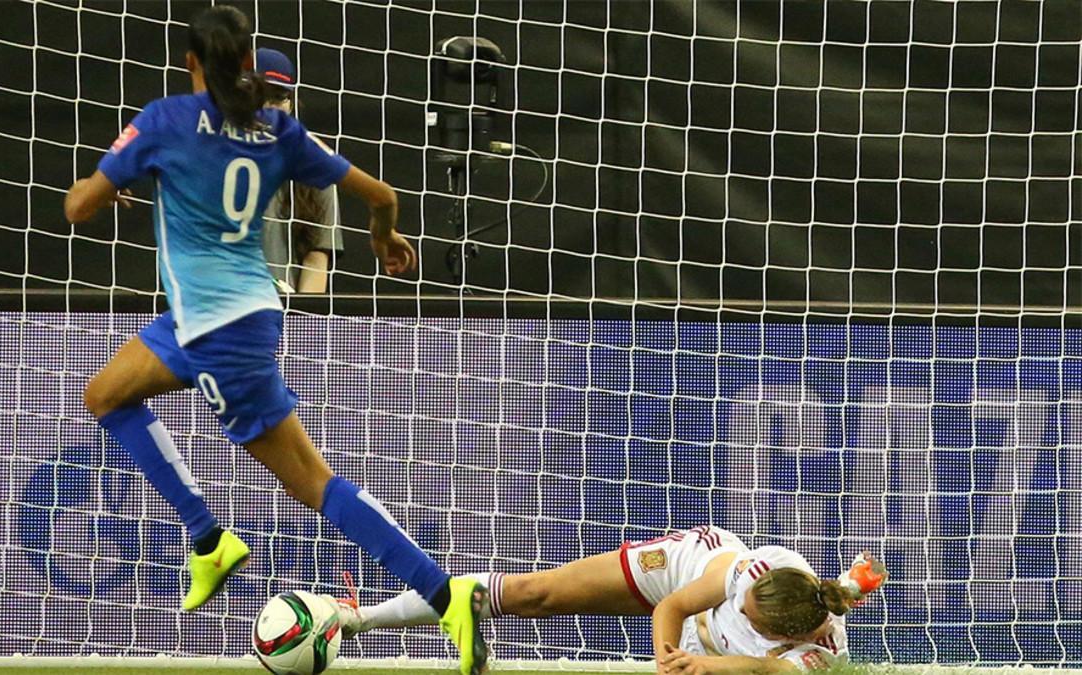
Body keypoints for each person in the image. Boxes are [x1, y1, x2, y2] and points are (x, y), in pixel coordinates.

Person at [62, 7, 486, 674]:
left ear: (191, 63)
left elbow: (77, 207)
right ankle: (208, 539)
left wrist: (104, 184)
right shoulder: (279, 129)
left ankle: (444, 592)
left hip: (218, 333)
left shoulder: (165, 120)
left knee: (313, 482)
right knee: (106, 393)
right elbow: (381, 193)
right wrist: (384, 236)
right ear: (248, 62)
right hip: (228, 313)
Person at [335, 526, 887, 673]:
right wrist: (670, 659)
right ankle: (355, 618)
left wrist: (707, 664)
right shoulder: (758, 575)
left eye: (749, 619)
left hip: (719, 654)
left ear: (783, 634)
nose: (740, 608)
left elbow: (765, 673)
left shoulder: (818, 658)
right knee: (535, 592)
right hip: (683, 571)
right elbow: (674, 607)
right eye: (743, 604)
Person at [254, 48, 344, 294]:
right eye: (258, 96)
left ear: (290, 104)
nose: (268, 108)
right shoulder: (210, 159)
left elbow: (316, 260)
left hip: (283, 319)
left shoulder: (317, 167)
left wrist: (298, 323)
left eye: (278, 97)